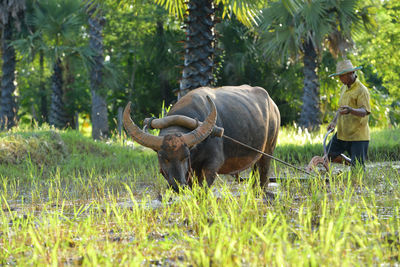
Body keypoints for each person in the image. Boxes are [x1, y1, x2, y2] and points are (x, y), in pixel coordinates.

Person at [326, 59, 371, 170]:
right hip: (342, 133)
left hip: (358, 135)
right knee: (328, 154)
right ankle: (351, 163)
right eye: (339, 77)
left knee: (358, 171)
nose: (341, 79)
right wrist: (334, 122)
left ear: (351, 73)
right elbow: (340, 109)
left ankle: (357, 168)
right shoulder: (343, 88)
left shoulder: (362, 90)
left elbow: (365, 111)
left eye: (343, 76)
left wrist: (351, 110)